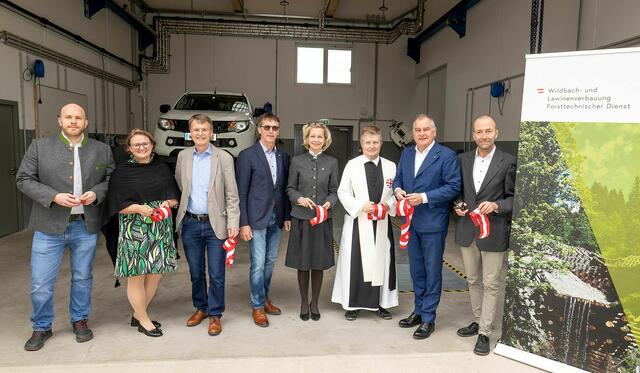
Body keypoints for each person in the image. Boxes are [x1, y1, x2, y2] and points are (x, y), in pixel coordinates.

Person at [16, 103, 114, 351]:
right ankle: (41, 326)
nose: (73, 121)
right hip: (49, 227)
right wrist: (53, 196)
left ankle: (80, 320)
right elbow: (23, 178)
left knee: (82, 278)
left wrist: (97, 193)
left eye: (78, 117)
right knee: (40, 283)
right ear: (59, 121)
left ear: (86, 122)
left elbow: (111, 179)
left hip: (85, 226)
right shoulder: (39, 146)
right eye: (68, 117)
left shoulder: (101, 150)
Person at [104, 129, 180, 338]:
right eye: (136, 144)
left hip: (159, 227)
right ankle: (144, 320)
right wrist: (138, 208)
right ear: (129, 148)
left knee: (155, 274)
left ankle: (139, 313)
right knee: (136, 276)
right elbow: (115, 205)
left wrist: (167, 203)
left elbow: (175, 197)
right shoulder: (122, 172)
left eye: (145, 143)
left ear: (152, 145)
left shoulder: (162, 169)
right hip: (133, 228)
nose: (141, 147)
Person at [393, 114, 461, 339]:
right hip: (410, 223)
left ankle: (429, 317)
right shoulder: (407, 153)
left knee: (432, 271)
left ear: (434, 132)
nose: (421, 133)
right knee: (416, 270)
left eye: (426, 129)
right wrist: (397, 190)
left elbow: (453, 187)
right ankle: (419, 310)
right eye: (417, 130)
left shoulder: (447, 155)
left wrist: (423, 197)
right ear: (412, 133)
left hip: (433, 222)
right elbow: (398, 179)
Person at [453, 115, 516, 355]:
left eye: (488, 131)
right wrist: (458, 205)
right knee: (472, 280)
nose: (484, 136)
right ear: (473, 135)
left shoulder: (508, 161)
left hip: (494, 231)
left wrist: (497, 205)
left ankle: (485, 333)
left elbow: (514, 198)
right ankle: (479, 320)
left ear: (496, 133)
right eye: (479, 132)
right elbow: (457, 192)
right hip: (468, 229)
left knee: (491, 283)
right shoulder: (463, 160)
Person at [175, 114, 240, 336]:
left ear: (211, 132)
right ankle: (200, 308)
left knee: (216, 273)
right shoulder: (183, 157)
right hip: (191, 223)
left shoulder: (223, 157)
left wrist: (233, 222)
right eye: (196, 129)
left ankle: (215, 314)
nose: (200, 133)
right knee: (195, 272)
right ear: (190, 132)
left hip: (216, 225)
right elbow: (179, 185)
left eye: (204, 129)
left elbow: (232, 194)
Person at [332, 125, 399, 321]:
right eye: (367, 143)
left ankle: (381, 304)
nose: (372, 146)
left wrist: (388, 205)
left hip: (382, 222)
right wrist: (361, 205)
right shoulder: (352, 165)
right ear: (361, 144)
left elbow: (397, 192)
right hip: (358, 222)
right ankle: (352, 304)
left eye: (375, 142)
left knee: (382, 261)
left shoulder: (391, 166)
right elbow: (342, 192)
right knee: (356, 263)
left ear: (381, 143)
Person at [236, 112, 291, 327]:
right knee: (257, 264)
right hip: (256, 219)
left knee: (269, 263)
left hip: (276, 219)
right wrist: (244, 222)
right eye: (266, 127)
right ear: (259, 129)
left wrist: (286, 216)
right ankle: (257, 306)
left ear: (278, 131)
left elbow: (284, 190)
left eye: (274, 128)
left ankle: (265, 297)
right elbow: (242, 192)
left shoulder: (282, 156)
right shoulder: (247, 155)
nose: (270, 131)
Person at [285, 122, 339, 321]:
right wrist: (298, 198)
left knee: (318, 263)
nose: (316, 140)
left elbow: (334, 191)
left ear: (325, 141)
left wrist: (328, 203)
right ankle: (302, 301)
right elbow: (290, 188)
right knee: (303, 262)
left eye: (320, 137)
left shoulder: (332, 162)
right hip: (301, 219)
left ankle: (314, 302)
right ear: (307, 139)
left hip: (322, 220)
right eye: (313, 136)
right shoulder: (297, 161)